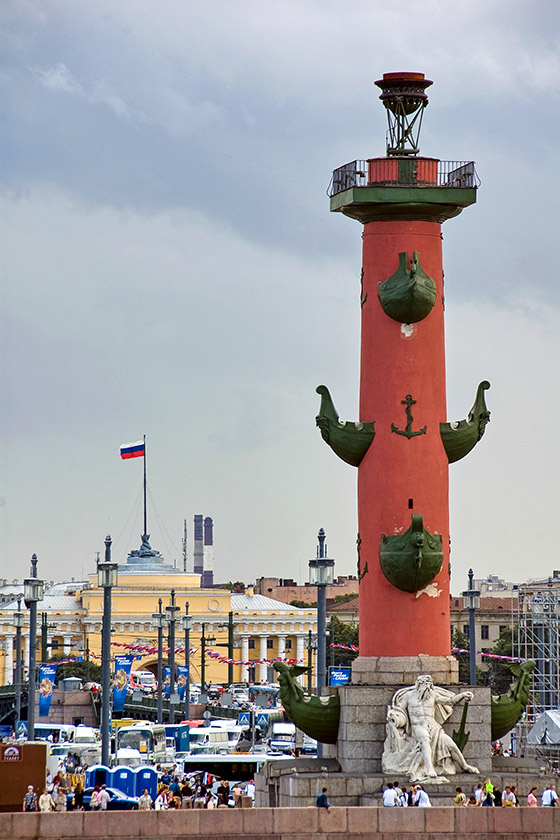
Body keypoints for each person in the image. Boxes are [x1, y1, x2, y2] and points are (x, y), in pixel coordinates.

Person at [385, 675, 478, 780]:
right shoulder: (408, 696)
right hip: (418, 727)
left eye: (429, 685)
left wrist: (462, 695)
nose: (427, 688)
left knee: (451, 745)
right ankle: (430, 769)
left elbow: (450, 701)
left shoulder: (433, 695)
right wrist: (394, 717)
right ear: (418, 685)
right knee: (424, 738)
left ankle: (465, 765)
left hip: (434, 727)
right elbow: (399, 710)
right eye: (425, 685)